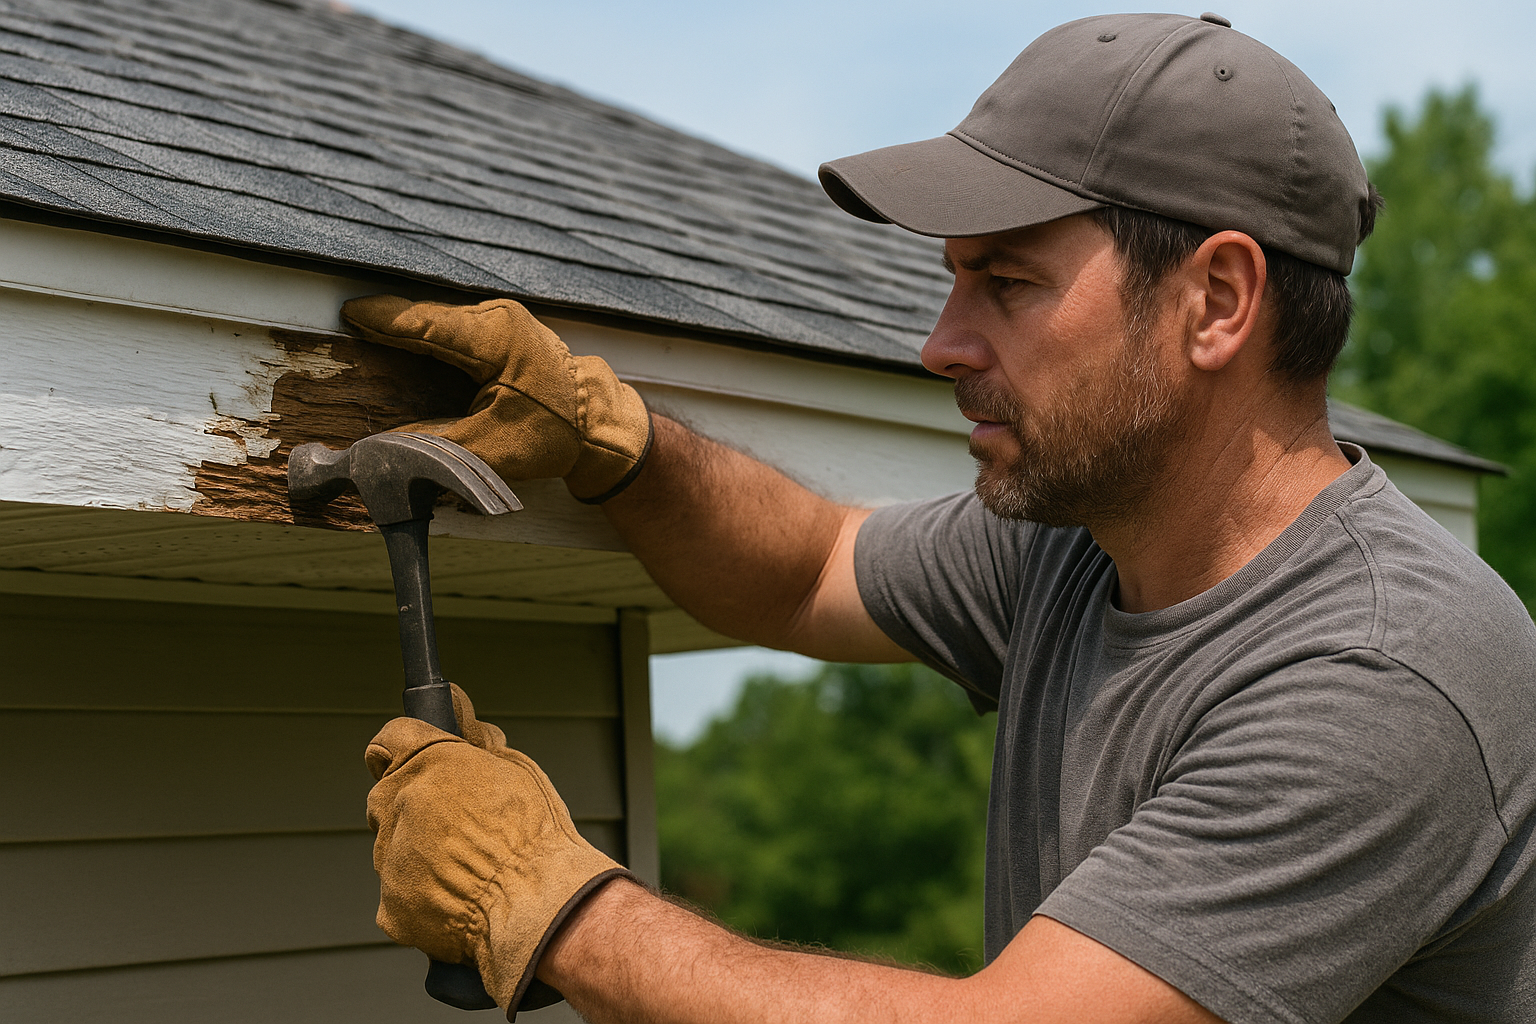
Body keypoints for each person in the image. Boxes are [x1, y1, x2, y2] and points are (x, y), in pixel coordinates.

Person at [352, 12, 1536, 1023]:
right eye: (953, 277)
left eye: (1008, 283)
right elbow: (809, 567)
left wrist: (545, 901)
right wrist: (618, 446)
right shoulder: (1078, 548)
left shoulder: (1384, 672)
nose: (941, 344)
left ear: (1217, 300)